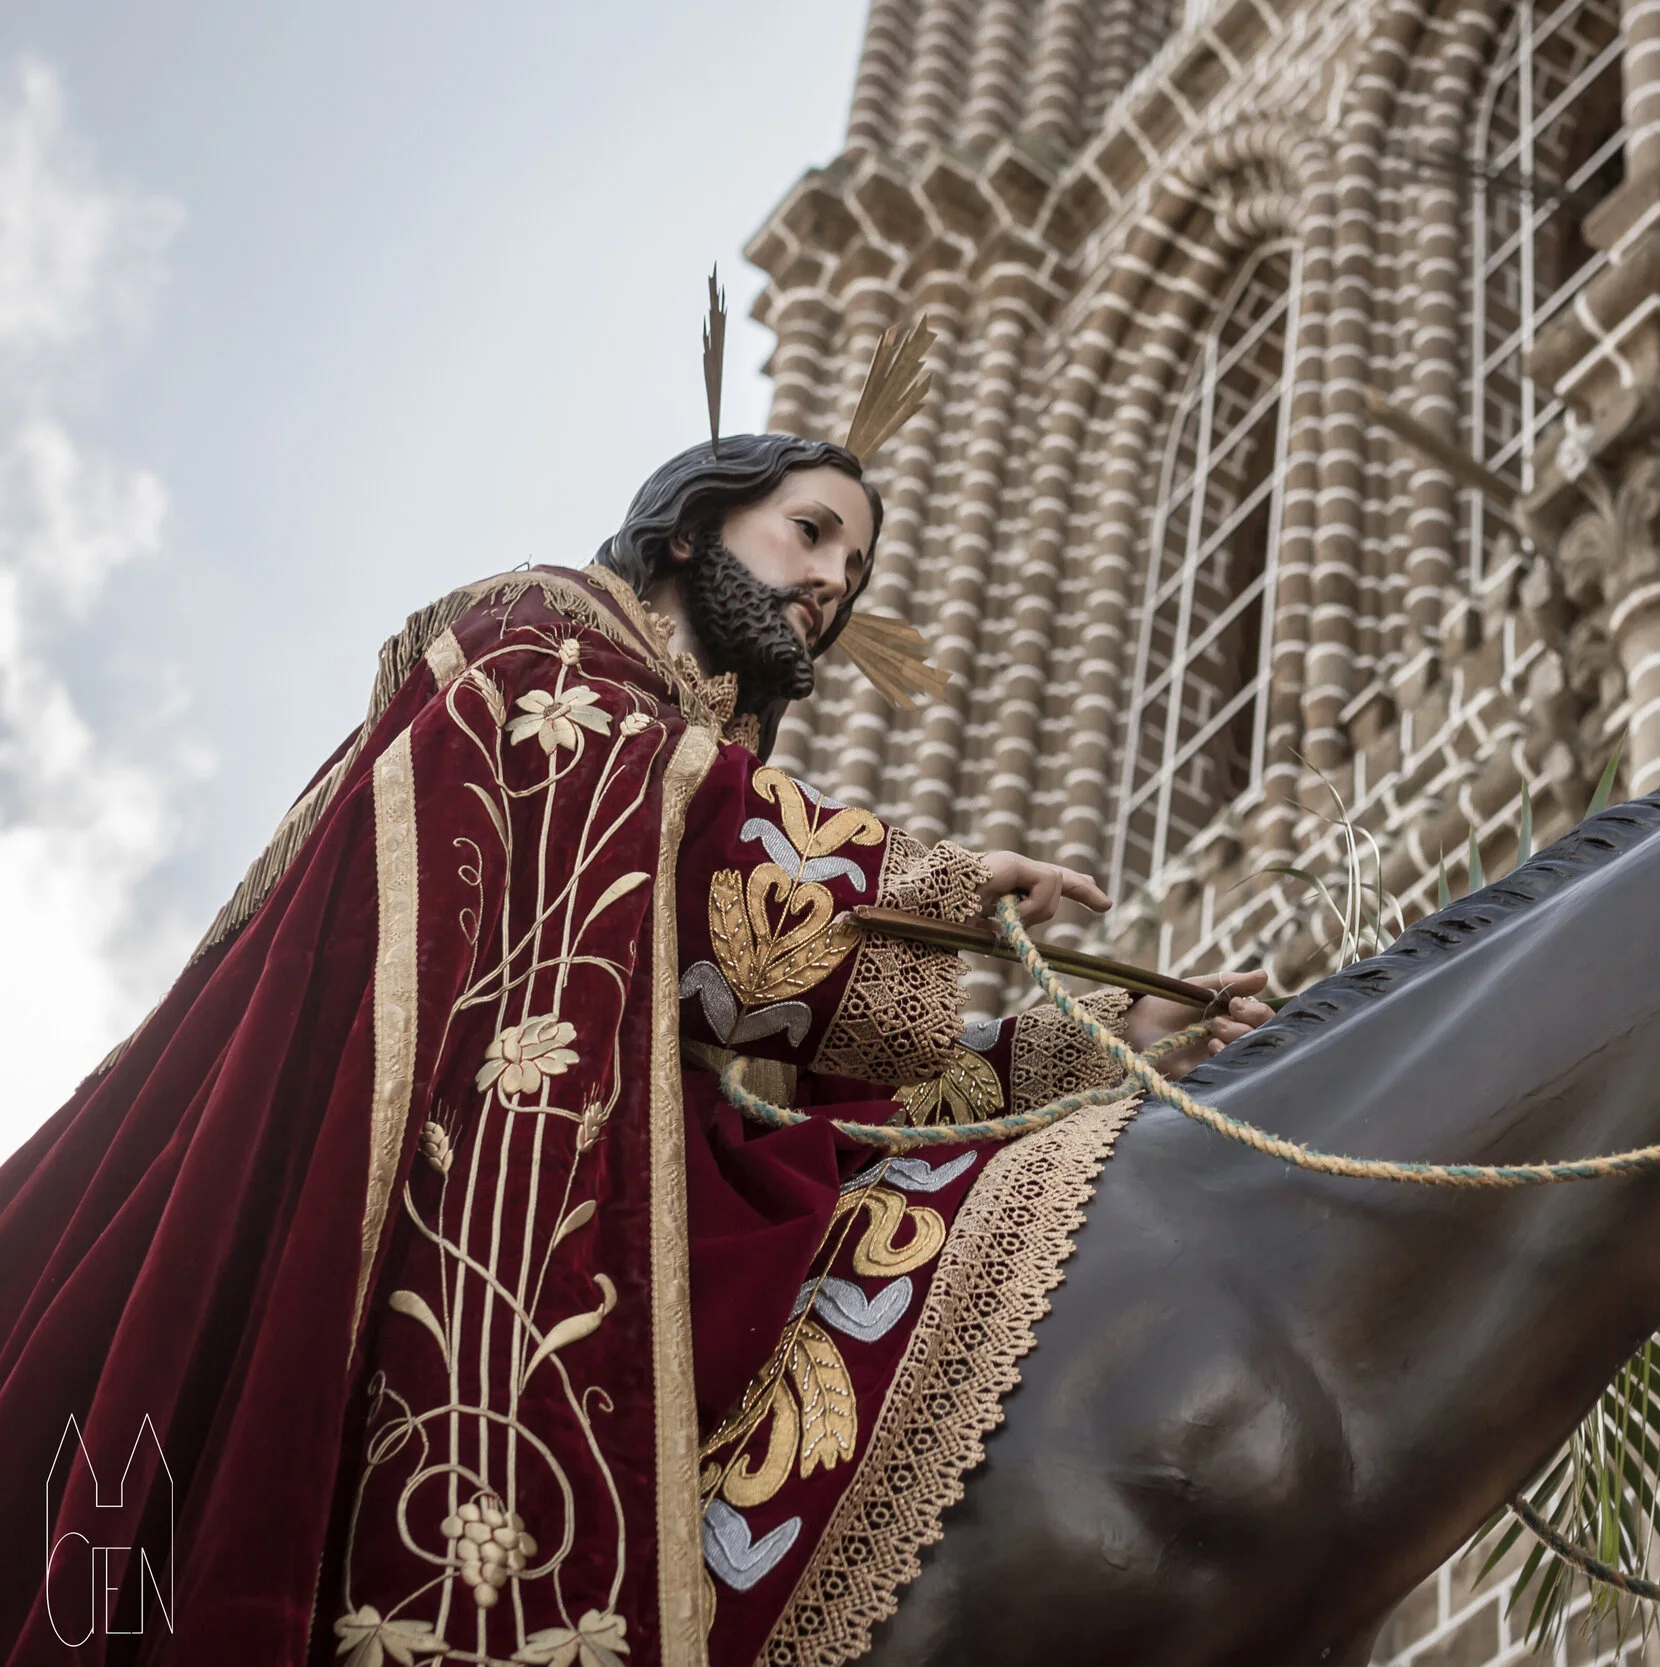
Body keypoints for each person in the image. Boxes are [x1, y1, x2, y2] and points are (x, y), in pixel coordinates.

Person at [0, 431, 1271, 1664]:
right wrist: (920, 874)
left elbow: (785, 1074)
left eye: (857, 569)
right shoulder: (539, 630)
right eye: (811, 530)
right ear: (690, 521)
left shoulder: (667, 825)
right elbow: (638, 792)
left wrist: (1101, 1039)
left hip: (607, 1191)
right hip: (423, 1169)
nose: (832, 582)